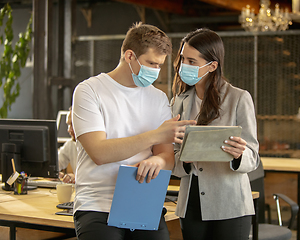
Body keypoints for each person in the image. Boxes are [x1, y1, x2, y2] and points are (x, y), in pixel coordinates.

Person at [71, 22, 196, 240]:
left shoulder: (157, 98)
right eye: (150, 63)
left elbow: (167, 156)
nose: (155, 71)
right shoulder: (89, 90)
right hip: (98, 205)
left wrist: (157, 162)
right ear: (129, 56)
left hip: (143, 199)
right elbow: (100, 153)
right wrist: (156, 135)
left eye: (159, 65)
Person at [171, 28, 260, 240]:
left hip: (230, 202)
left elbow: (253, 158)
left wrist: (240, 154)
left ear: (212, 66)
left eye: (192, 62)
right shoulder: (178, 102)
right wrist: (184, 159)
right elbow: (172, 158)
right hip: (191, 202)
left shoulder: (238, 98)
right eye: (183, 59)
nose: (184, 66)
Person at [58, 107, 77, 184]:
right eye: (69, 125)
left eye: (72, 125)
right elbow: (56, 163)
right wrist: (55, 173)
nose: (69, 130)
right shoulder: (71, 144)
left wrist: (76, 177)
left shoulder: (96, 147)